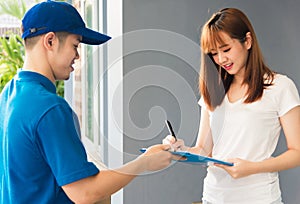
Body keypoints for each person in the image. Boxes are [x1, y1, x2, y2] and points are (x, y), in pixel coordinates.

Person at [0, 1, 173, 203]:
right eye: (75, 45)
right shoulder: (49, 108)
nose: (77, 55)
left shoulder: (9, 93)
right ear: (50, 41)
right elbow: (85, 193)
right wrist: (144, 163)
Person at [163, 8, 300, 204]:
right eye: (214, 54)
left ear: (248, 41)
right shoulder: (213, 90)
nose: (221, 59)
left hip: (259, 198)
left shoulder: (280, 87)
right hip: (213, 197)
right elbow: (204, 150)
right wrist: (180, 150)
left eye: (226, 49)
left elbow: (297, 152)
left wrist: (253, 167)